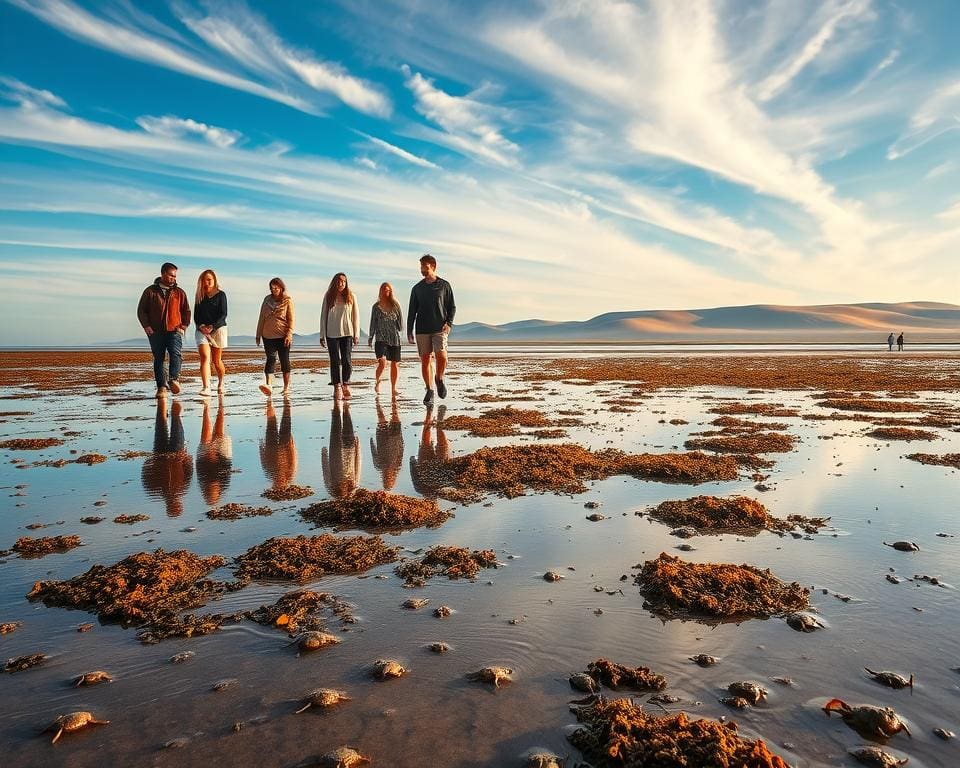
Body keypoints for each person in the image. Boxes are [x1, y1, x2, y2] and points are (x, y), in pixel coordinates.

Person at [407, 254, 456, 406]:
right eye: (421, 267)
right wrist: (409, 331)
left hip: (439, 328)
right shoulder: (417, 288)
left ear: (433, 267)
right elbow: (412, 311)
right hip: (422, 329)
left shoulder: (444, 285)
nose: (422, 269)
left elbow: (452, 307)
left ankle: (439, 378)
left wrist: (449, 323)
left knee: (442, 356)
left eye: (425, 267)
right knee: (425, 360)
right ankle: (429, 390)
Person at [137, 262, 191, 397]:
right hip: (155, 331)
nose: (174, 278)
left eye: (175, 276)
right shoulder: (150, 291)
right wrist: (146, 326)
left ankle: (174, 380)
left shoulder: (179, 292)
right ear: (163, 274)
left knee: (175, 354)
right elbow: (141, 310)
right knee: (159, 358)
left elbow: (186, 311)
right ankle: (161, 387)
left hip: (175, 330)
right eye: (171, 275)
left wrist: (183, 326)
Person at [141, 398, 193, 517]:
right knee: (164, 430)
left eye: (176, 505)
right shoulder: (178, 489)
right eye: (178, 505)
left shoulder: (158, 490)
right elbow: (188, 471)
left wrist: (150, 460)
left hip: (164, 456)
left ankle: (173, 414)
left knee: (166, 431)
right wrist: (187, 458)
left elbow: (146, 475)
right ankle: (173, 414)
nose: (176, 502)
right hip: (170, 457)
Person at [320, 272, 359, 400]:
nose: (341, 283)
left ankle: (345, 384)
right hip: (331, 333)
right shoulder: (328, 296)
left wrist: (356, 334)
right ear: (335, 282)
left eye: (343, 281)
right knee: (335, 360)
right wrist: (322, 334)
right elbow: (323, 315)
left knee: (347, 360)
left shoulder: (351, 296)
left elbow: (355, 316)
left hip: (347, 332)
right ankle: (337, 386)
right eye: (339, 281)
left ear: (346, 283)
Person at [255, 277, 295, 397]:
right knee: (271, 358)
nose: (274, 290)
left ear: (281, 288)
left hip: (283, 335)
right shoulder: (267, 300)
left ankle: (286, 387)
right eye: (272, 288)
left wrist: (289, 333)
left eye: (276, 288)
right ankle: (269, 385)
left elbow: (291, 319)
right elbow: (261, 317)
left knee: (284, 360)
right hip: (268, 335)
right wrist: (258, 334)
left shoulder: (287, 300)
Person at [194, 269, 228, 396]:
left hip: (218, 329)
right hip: (202, 330)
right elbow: (196, 316)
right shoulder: (200, 296)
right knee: (204, 357)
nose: (207, 282)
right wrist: (201, 326)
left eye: (209, 280)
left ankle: (221, 382)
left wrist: (212, 327)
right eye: (204, 280)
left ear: (214, 280)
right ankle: (206, 387)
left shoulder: (221, 295)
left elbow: (223, 314)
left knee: (216, 361)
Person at [369, 282, 403, 398]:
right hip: (380, 338)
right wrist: (370, 336)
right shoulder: (376, 307)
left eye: (388, 290)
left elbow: (400, 322)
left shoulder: (395, 305)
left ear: (390, 292)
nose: (385, 292)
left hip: (394, 338)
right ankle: (378, 381)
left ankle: (393, 388)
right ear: (380, 291)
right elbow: (373, 323)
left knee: (394, 363)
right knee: (382, 362)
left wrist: (400, 329)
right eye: (383, 290)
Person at [196, 397, 232, 505]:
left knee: (205, 436)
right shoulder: (224, 483)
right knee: (219, 432)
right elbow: (227, 464)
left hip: (204, 457)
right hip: (223, 455)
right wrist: (214, 454)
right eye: (213, 494)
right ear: (219, 491)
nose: (211, 490)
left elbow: (199, 464)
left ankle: (206, 406)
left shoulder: (202, 481)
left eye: (209, 494)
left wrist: (208, 453)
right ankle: (221, 403)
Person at [322, 403, 361, 498]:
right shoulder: (353, 487)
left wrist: (324, 453)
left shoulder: (332, 488)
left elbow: (326, 471)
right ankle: (345, 405)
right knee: (345, 423)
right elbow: (357, 466)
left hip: (336, 451)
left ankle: (338, 403)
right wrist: (358, 448)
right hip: (349, 450)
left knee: (336, 425)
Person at [260, 398, 297, 494]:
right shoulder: (289, 474)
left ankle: (270, 401)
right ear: (285, 483)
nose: (278, 483)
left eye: (275, 485)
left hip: (271, 447)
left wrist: (262, 448)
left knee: (271, 423)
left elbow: (264, 461)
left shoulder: (270, 473)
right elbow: (293, 459)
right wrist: (292, 445)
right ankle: (286, 399)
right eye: (279, 485)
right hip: (285, 446)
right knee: (286, 420)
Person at [371, 398, 403, 490]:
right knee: (395, 414)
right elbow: (401, 452)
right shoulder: (397, 466)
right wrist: (401, 438)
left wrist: (371, 442)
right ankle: (393, 399)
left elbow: (374, 453)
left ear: (383, 479)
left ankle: (378, 402)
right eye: (390, 480)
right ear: (393, 478)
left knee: (381, 418)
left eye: (387, 480)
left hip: (382, 439)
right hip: (395, 438)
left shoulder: (378, 466)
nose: (388, 477)